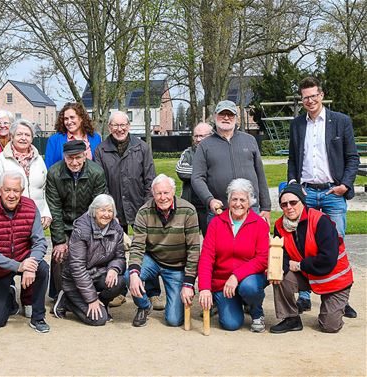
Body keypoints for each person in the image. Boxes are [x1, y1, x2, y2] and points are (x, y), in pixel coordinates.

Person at [287, 76, 360, 318]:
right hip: (306, 192)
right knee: (302, 243)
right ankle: (305, 296)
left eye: (313, 95)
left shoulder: (340, 121)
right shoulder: (297, 125)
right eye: (305, 97)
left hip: (332, 191)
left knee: (336, 244)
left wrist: (344, 185)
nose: (309, 100)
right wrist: (295, 185)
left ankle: (339, 294)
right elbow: (293, 160)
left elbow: (352, 158)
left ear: (321, 94)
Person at [94, 110, 162, 310]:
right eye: (115, 125)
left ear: (129, 126)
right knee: (116, 250)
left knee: (148, 249)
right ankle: (120, 291)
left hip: (140, 206)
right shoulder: (101, 150)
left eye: (123, 125)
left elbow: (150, 178)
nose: (120, 129)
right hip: (114, 210)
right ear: (109, 127)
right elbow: (100, 183)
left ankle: (153, 291)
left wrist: (148, 208)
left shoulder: (141, 147)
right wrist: (109, 210)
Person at [270, 183, 354, 333]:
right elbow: (282, 255)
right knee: (279, 273)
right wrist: (276, 269)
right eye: (284, 204)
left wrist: (300, 265)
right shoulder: (279, 226)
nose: (289, 207)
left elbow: (327, 259)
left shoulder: (321, 221)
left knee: (329, 326)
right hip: (308, 274)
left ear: (302, 202)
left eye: (293, 202)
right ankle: (291, 318)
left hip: (334, 278)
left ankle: (337, 303)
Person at [0, 119, 52, 318]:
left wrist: (46, 212)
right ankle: (8, 290)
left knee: (33, 256)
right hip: (7, 216)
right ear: (12, 136)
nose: (23, 138)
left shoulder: (38, 159)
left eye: (27, 135)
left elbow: (44, 189)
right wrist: (3, 213)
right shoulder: (1, 159)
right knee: (9, 253)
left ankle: (29, 299)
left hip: (34, 217)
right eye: (19, 134)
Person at [0, 171, 50, 333]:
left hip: (24, 257)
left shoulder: (30, 207)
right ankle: (9, 292)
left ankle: (38, 317)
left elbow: (40, 242)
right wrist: (19, 266)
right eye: (7, 190)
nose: (11, 195)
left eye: (16, 190)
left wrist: (31, 264)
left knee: (42, 268)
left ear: (22, 191)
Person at [126, 174, 200, 327]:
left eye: (166, 192)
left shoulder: (188, 211)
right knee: (129, 275)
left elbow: (194, 249)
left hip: (176, 266)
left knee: (174, 320)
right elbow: (137, 246)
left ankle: (173, 300)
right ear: (153, 194)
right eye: (158, 193)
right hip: (152, 260)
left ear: (173, 192)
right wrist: (134, 273)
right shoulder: (144, 212)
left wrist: (189, 283)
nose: (162, 197)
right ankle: (144, 306)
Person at [197, 178, 269, 332]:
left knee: (249, 287)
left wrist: (236, 276)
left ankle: (256, 312)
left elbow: (263, 259)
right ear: (228, 201)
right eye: (234, 199)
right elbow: (206, 258)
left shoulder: (260, 224)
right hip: (222, 283)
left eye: (243, 200)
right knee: (231, 324)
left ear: (250, 202)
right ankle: (227, 302)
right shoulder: (216, 223)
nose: (238, 204)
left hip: (248, 279)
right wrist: (204, 288)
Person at [191, 100, 271, 225]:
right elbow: (196, 178)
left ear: (236, 118)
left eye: (230, 114)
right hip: (219, 210)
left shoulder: (250, 140)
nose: (226, 118)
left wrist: (266, 207)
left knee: (251, 244)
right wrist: (209, 200)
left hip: (250, 208)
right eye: (222, 114)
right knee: (219, 245)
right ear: (215, 116)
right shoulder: (205, 145)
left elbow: (260, 174)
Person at [46, 140, 107, 302]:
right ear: (64, 157)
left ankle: (87, 292)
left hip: (87, 223)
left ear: (85, 155)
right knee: (60, 255)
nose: (74, 162)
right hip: (64, 224)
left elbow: (98, 207)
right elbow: (54, 209)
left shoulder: (96, 172)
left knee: (88, 255)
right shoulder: (54, 173)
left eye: (78, 158)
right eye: (70, 158)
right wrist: (59, 241)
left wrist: (86, 235)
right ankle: (61, 296)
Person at [53, 194, 126, 325]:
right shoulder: (82, 229)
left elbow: (119, 256)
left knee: (119, 282)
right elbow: (77, 267)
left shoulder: (117, 229)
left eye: (110, 211)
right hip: (75, 281)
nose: (106, 215)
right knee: (99, 320)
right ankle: (66, 300)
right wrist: (91, 299)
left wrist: (114, 269)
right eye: (102, 210)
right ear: (94, 211)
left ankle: (101, 304)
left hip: (98, 274)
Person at [176, 122, 213, 236]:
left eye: (202, 136)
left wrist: (195, 172)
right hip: (191, 205)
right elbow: (181, 171)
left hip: (210, 206)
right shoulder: (188, 153)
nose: (198, 139)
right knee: (188, 242)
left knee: (212, 241)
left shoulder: (216, 153)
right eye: (196, 136)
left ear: (211, 136)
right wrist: (204, 172)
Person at [44, 102, 101, 169]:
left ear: (81, 118)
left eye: (72, 117)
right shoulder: (54, 140)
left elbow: (99, 166)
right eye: (66, 119)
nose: (69, 122)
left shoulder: (95, 138)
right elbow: (48, 167)